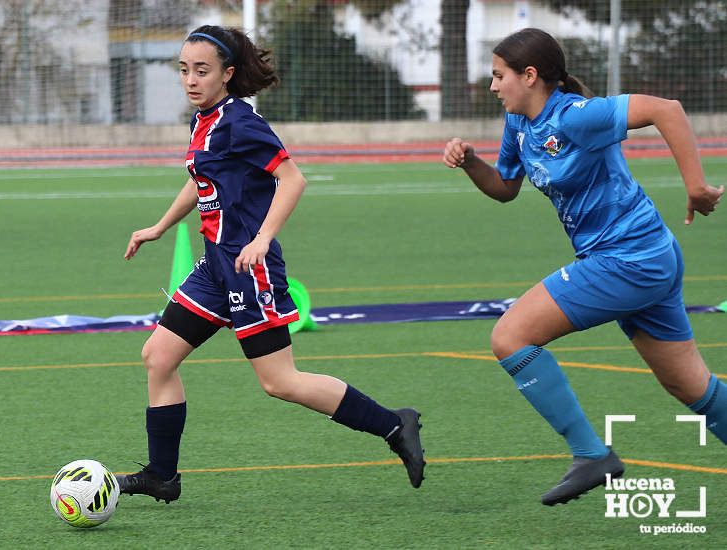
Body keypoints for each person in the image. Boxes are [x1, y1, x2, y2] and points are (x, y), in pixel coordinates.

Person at [118, 25, 426, 504]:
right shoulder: (205, 119)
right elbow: (202, 179)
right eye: (184, 70)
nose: (191, 79)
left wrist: (263, 239)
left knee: (278, 381)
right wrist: (159, 226)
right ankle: (162, 475)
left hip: (248, 267)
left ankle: (393, 424)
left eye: (202, 70)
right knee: (158, 356)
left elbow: (293, 178)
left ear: (227, 73)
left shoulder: (240, 122)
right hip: (216, 265)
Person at [442, 27, 725, 506]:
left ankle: (591, 455)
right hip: (642, 257)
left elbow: (666, 110)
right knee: (689, 385)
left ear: (529, 76)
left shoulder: (575, 116)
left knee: (509, 336)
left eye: (498, 76)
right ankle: (593, 455)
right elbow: (506, 187)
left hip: (629, 259)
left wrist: (696, 186)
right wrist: (471, 162)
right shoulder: (519, 124)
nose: (492, 86)